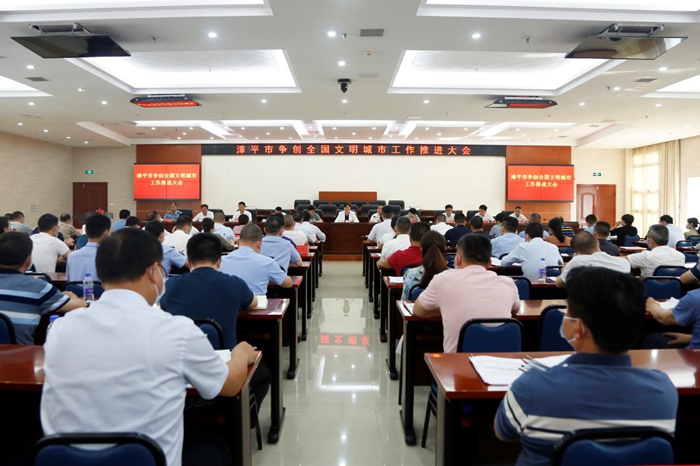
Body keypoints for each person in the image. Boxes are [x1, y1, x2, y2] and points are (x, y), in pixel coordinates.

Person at [41, 228, 257, 466]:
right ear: (154, 272)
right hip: (147, 459)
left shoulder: (60, 330)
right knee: (219, 444)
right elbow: (230, 385)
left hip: (64, 460)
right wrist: (240, 354)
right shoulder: (177, 331)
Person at [495, 267, 678, 466]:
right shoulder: (664, 390)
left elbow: (503, 433)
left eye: (568, 311)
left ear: (579, 328)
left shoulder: (531, 386)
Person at [160, 233, 271, 419]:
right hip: (225, 370)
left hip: (180, 373)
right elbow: (253, 303)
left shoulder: (171, 286)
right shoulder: (233, 283)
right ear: (220, 261)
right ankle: (247, 420)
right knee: (264, 373)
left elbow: (163, 308)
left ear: (188, 262)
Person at [413, 234, 520, 353]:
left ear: (457, 259)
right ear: (489, 263)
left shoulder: (442, 279)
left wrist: (446, 309)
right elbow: (515, 310)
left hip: (457, 362)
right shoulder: (508, 283)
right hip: (500, 360)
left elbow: (418, 311)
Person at [0, 232, 87, 344]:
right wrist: (72, 297)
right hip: (20, 353)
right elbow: (81, 306)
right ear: (28, 260)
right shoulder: (37, 288)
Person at [220, 224, 293, 294]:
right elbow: (288, 283)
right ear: (259, 244)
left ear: (238, 242)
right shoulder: (267, 262)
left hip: (228, 302)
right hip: (256, 302)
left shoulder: (221, 261)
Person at [555, 232, 630, 287]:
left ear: (577, 252)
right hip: (617, 303)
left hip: (586, 303)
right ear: (597, 242)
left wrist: (565, 270)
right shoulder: (623, 263)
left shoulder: (577, 262)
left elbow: (559, 283)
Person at [401, 231, 448, 300]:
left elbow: (404, 301)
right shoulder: (454, 276)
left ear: (421, 249)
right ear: (445, 249)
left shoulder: (410, 274)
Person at [66, 213, 110, 282]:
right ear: (106, 232)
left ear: (86, 231)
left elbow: (69, 281)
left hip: (75, 289)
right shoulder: (110, 256)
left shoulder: (72, 256)